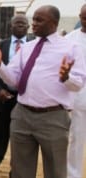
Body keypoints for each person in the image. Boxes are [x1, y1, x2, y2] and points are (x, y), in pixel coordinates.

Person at [0, 5, 86, 178]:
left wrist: (66, 77)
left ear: (53, 23)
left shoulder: (71, 48)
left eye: (39, 20)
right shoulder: (27, 48)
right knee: (20, 171)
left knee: (55, 172)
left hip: (53, 118)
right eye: (34, 19)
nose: (33, 24)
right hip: (22, 115)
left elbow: (78, 84)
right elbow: (14, 80)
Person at [0, 14, 31, 177]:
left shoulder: (33, 46)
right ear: (10, 26)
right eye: (17, 23)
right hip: (2, 99)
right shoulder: (0, 45)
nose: (20, 26)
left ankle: (16, 168)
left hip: (25, 99)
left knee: (21, 136)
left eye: (23, 24)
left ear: (28, 27)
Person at [66, 4, 86, 178]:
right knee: (77, 138)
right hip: (78, 96)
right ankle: (73, 174)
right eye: (84, 16)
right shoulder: (70, 38)